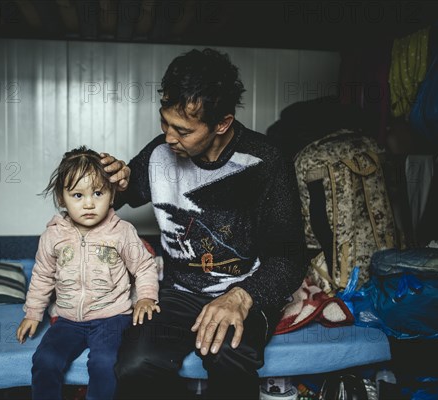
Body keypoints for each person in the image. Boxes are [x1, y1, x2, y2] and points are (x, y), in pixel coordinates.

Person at [101, 48, 307, 399]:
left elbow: (290, 258)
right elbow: (123, 192)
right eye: (164, 121)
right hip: (180, 292)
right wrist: (112, 180)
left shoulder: (266, 161)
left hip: (244, 289)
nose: (168, 137)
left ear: (222, 124)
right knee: (136, 365)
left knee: (229, 355)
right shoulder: (159, 154)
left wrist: (242, 297)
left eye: (182, 129)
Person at [16, 146, 160, 400]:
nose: (90, 203)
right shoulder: (53, 235)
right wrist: (33, 313)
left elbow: (145, 266)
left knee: (105, 363)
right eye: (78, 195)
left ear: (112, 194)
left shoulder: (121, 231)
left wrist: (147, 297)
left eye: (97, 193)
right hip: (68, 318)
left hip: (112, 317)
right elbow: (42, 275)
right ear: (62, 199)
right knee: (45, 360)